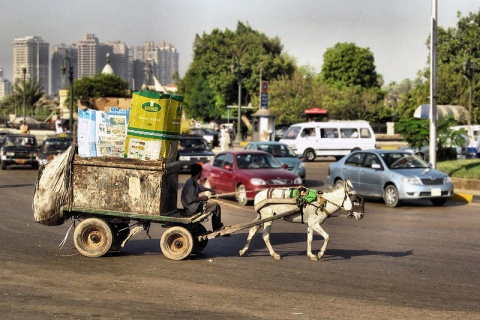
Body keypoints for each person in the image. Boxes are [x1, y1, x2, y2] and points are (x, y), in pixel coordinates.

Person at [181, 163, 226, 233]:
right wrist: (202, 198)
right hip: (191, 208)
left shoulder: (193, 182)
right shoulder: (190, 184)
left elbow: (200, 188)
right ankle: (217, 228)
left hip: (194, 206)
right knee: (216, 206)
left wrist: (210, 189)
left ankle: (217, 227)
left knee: (214, 206)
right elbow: (190, 200)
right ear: (199, 173)